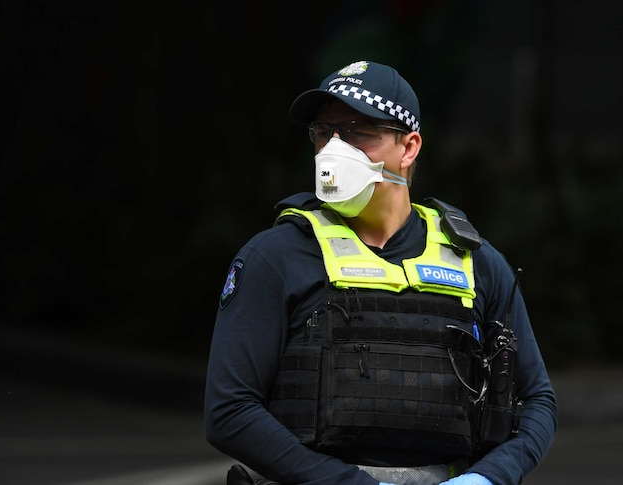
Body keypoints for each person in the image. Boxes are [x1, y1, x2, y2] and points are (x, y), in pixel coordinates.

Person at [205, 60, 557, 485]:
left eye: (357, 132)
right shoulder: (275, 257)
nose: (335, 148)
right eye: (323, 132)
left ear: (408, 148)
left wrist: (488, 478)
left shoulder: (476, 263)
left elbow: (537, 401)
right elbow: (229, 411)